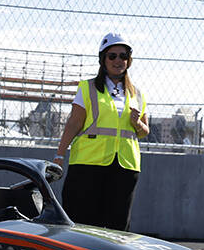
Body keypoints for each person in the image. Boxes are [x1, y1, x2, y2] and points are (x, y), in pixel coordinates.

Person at [51, 32, 149, 230]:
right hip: (88, 164)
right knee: (82, 223)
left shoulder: (136, 93)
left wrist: (136, 122)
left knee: (117, 227)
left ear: (128, 61)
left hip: (125, 166)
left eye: (123, 56)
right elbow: (73, 123)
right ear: (103, 59)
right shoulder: (87, 88)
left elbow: (144, 131)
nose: (118, 60)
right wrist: (59, 155)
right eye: (112, 56)